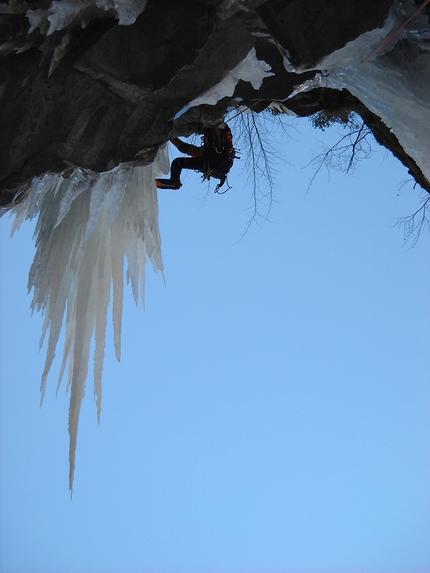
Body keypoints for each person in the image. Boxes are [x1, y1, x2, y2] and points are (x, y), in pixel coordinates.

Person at [156, 123, 236, 191]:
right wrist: (171, 137)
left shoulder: (214, 149)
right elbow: (186, 149)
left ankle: (174, 180)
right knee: (178, 162)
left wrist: (171, 137)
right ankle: (174, 181)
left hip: (217, 160)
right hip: (213, 165)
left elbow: (186, 149)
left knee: (178, 162)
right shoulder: (207, 151)